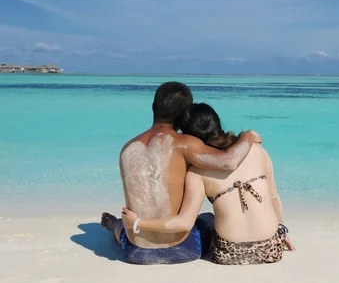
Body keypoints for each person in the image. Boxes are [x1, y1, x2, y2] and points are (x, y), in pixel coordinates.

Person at [101, 82, 261, 264]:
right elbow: (228, 161)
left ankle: (117, 227)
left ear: (153, 107)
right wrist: (247, 136)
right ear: (184, 114)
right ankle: (120, 227)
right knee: (207, 219)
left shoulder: (128, 148)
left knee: (127, 225)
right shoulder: (184, 143)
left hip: (136, 252)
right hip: (183, 249)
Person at [121, 102, 295, 265]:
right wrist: (281, 231)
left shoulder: (197, 171)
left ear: (190, 137)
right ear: (217, 122)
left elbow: (184, 222)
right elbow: (273, 197)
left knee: (207, 219)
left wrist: (137, 223)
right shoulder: (257, 150)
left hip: (228, 254)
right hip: (272, 249)